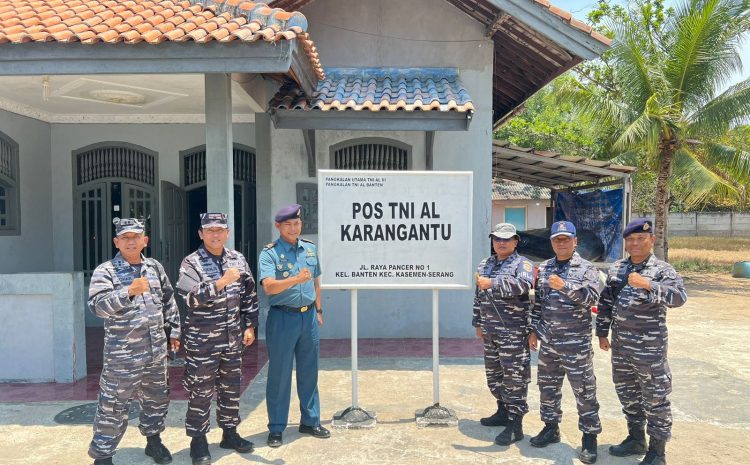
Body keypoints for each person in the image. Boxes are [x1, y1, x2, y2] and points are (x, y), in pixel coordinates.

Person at [87, 218, 180, 465]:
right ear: (116, 242)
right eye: (125, 238)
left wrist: (175, 332)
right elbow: (98, 307)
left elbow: (169, 301)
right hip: (123, 357)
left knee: (156, 398)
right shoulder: (105, 271)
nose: (130, 241)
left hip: (156, 351)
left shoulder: (155, 268)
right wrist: (127, 292)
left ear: (145, 241)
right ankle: (103, 455)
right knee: (113, 405)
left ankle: (154, 441)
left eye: (135, 237)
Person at [596, 218, 687, 465]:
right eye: (630, 240)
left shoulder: (662, 271)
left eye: (640, 239)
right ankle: (636, 438)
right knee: (628, 394)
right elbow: (606, 302)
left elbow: (679, 298)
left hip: (649, 349)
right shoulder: (617, 269)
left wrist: (649, 284)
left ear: (652, 241)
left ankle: (657, 451)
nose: (635, 243)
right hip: (621, 346)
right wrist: (602, 332)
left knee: (656, 398)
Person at [176, 213, 258, 465]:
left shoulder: (238, 259)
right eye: (209, 230)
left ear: (227, 233)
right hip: (202, 342)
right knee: (200, 391)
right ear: (201, 234)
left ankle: (230, 433)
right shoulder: (191, 263)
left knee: (231, 388)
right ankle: (198, 440)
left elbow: (249, 295)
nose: (215, 234)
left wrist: (250, 325)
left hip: (232, 338)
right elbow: (189, 297)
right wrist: (221, 282)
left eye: (220, 230)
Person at [529, 220, 602, 464]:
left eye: (566, 239)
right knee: (548, 387)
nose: (561, 243)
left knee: (584, 391)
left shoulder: (587, 268)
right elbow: (538, 304)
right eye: (557, 239)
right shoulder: (545, 267)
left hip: (576, 344)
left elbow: (591, 298)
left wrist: (565, 286)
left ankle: (589, 438)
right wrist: (534, 331)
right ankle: (551, 427)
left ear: (575, 241)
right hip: (548, 342)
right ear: (551, 242)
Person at [258, 204, 328, 448]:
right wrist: (295, 279)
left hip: (307, 317)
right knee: (279, 374)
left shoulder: (309, 248)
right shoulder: (269, 253)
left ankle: (310, 420)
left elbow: (317, 282)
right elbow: (268, 286)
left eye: (297, 223)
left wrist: (318, 309)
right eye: (288, 224)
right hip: (282, 318)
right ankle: (276, 427)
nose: (293, 228)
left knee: (310, 371)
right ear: (278, 226)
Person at [473, 223, 534, 446]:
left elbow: (523, 285)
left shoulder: (523, 263)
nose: (501, 242)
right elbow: (478, 295)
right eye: (497, 239)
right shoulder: (485, 263)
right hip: (490, 331)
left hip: (513, 332)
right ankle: (502, 411)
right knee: (494, 375)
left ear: (515, 241)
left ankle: (515, 424)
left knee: (514, 377)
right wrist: (477, 321)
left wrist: (494, 283)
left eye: (506, 239)